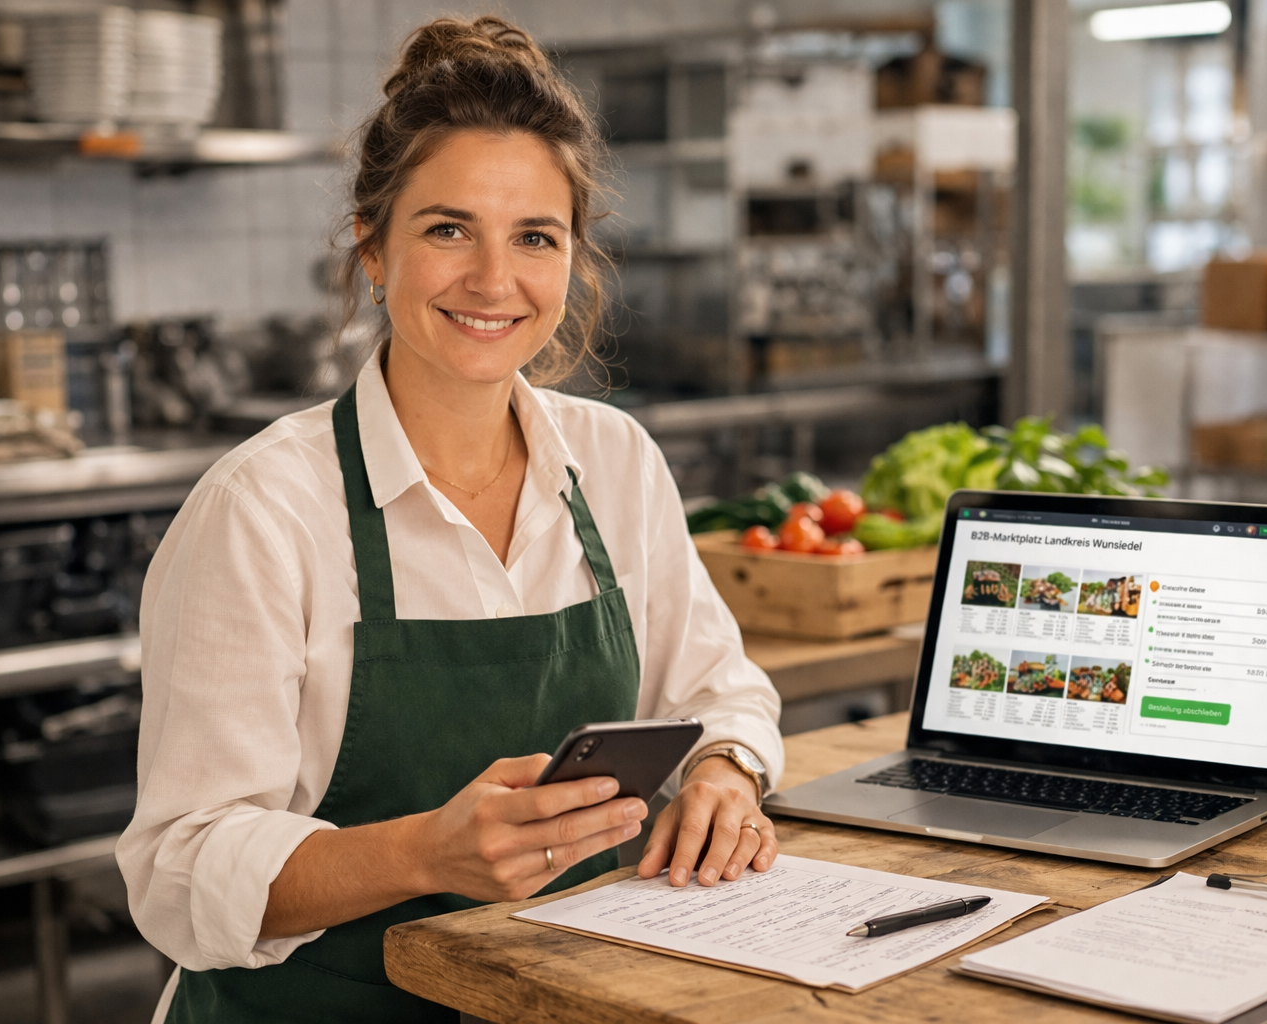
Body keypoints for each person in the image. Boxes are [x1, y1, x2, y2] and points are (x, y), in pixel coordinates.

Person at [117, 16, 784, 1023]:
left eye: (534, 237)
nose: (492, 279)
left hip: (555, 1000)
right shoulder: (262, 510)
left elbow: (718, 688)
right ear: (372, 248)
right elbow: (179, 868)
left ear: (574, 259)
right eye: (447, 229)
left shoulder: (615, 464)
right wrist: (423, 853)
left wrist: (726, 773)